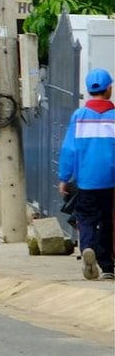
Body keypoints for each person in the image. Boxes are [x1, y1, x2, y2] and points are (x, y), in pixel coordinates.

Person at [59, 68, 115, 280]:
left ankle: (87, 248)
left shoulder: (79, 116)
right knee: (108, 222)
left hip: (86, 181)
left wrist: (64, 178)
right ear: (109, 88)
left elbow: (69, 149)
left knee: (86, 219)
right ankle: (108, 266)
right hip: (110, 181)